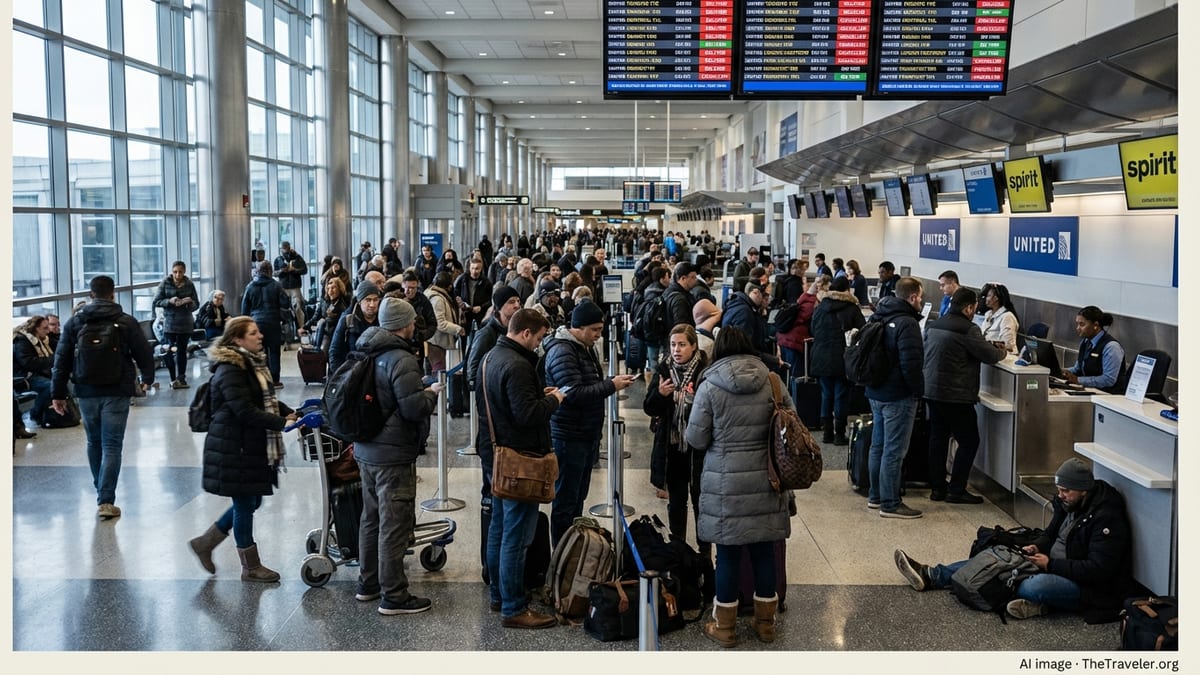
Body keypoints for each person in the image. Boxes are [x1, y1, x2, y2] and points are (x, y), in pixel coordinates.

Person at [895, 457, 1132, 622]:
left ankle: (1039, 602)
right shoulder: (1069, 502)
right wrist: (1036, 546)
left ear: (1083, 490)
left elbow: (1099, 570)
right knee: (998, 555)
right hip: (1051, 564)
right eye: (1059, 490)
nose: (1060, 496)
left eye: (1066, 492)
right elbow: (1050, 534)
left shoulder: (1106, 518)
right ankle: (933, 575)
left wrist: (1050, 565)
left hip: (1085, 586)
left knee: (1033, 585)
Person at [685, 326, 791, 648]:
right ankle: (765, 624)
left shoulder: (710, 386)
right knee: (763, 552)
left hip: (725, 484)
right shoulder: (772, 381)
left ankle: (725, 627)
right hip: (768, 480)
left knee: (728, 555)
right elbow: (790, 423)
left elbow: (696, 439)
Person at [348, 297, 443, 614]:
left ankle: (368, 584)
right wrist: (430, 394)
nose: (416, 324)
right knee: (394, 525)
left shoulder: (366, 348)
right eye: (413, 320)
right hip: (392, 454)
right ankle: (394, 596)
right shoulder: (401, 359)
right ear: (403, 324)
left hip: (366, 449)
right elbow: (413, 408)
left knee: (371, 519)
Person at [187, 316, 296, 582]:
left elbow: (262, 399)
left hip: (245, 443)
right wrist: (282, 422)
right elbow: (244, 410)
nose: (260, 336)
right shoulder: (231, 368)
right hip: (234, 445)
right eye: (253, 333)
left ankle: (205, 543)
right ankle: (250, 566)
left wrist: (290, 412)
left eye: (259, 332)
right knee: (246, 501)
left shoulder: (250, 364)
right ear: (237, 339)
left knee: (251, 499)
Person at [482, 309, 565, 629]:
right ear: (526, 333)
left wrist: (536, 396)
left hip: (499, 454)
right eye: (540, 337)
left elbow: (507, 402)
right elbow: (528, 415)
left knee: (499, 528)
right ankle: (514, 607)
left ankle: (498, 596)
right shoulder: (517, 365)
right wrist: (554, 399)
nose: (540, 344)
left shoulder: (493, 356)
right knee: (516, 536)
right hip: (521, 459)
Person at [49, 275, 156, 519]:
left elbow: (61, 359)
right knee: (112, 444)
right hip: (117, 389)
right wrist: (146, 378)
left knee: (93, 442)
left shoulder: (75, 322)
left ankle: (101, 490)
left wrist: (57, 393)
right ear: (112, 293)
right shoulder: (125, 321)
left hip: (86, 390)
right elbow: (144, 352)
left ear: (91, 294)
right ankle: (105, 499)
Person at [543, 301, 637, 545]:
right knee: (566, 500)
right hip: (569, 434)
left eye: (600, 329)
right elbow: (573, 393)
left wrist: (611, 381)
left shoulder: (583, 347)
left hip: (585, 433)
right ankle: (562, 557)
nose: (599, 335)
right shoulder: (563, 351)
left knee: (577, 497)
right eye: (594, 329)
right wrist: (611, 385)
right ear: (578, 327)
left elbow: (585, 382)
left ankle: (572, 550)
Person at [922, 287, 1007, 503]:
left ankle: (938, 489)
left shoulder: (934, 325)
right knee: (969, 441)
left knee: (937, 439)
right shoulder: (968, 329)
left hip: (931, 390)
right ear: (969, 307)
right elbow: (989, 355)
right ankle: (956, 490)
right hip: (956, 394)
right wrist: (1002, 351)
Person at [644, 324, 710, 555]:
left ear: (694, 346)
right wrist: (661, 395)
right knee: (676, 502)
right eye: (673, 344)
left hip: (699, 448)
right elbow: (649, 407)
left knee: (701, 501)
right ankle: (678, 548)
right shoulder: (664, 370)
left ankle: (704, 551)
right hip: (672, 446)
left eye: (682, 344)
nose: (677, 350)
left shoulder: (705, 372)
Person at [865, 276, 926, 519]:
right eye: (920, 297)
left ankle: (875, 495)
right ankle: (890, 503)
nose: (921, 301)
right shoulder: (907, 323)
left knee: (878, 445)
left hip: (876, 391)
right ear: (912, 297)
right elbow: (911, 364)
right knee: (894, 450)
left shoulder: (879, 314)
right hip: (898, 394)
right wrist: (917, 391)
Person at [467, 286, 524, 504]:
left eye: (518, 301)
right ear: (498, 307)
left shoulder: (516, 332)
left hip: (510, 422)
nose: (516, 306)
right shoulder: (486, 334)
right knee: (492, 490)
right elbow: (472, 373)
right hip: (493, 420)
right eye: (511, 302)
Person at [809, 276, 865, 445]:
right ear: (847, 290)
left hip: (821, 356)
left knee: (826, 394)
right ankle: (839, 435)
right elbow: (862, 331)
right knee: (841, 396)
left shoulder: (820, 307)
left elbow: (812, 329)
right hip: (842, 358)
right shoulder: (852, 308)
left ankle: (826, 433)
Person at [241, 261, 292, 387]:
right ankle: (275, 380)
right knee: (274, 351)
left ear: (258, 271)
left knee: (258, 352)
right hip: (273, 322)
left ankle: (260, 379)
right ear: (269, 271)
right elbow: (285, 303)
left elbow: (245, 308)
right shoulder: (276, 285)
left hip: (256, 323)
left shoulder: (250, 286)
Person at [152, 260, 200, 389]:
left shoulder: (189, 284)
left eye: (180, 272)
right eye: (175, 272)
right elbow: (156, 301)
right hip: (170, 322)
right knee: (168, 350)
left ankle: (181, 378)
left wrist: (189, 302)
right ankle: (173, 378)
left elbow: (196, 304)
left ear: (184, 272)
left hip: (185, 322)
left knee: (182, 352)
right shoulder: (165, 283)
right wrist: (170, 301)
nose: (177, 275)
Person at [1063, 305, 1128, 394]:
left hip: (1108, 395)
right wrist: (1063, 372)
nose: (1077, 328)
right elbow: (1078, 368)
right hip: (1090, 391)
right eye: (1077, 324)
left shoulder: (1111, 347)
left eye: (1082, 324)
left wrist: (1078, 380)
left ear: (1095, 325)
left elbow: (1108, 380)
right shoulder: (1085, 342)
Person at [775, 275, 827, 378]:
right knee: (795, 376)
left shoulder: (804, 298)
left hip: (784, 338)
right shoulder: (812, 303)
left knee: (786, 373)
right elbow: (807, 321)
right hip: (795, 342)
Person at [720, 279, 779, 369]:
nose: (767, 301)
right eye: (764, 296)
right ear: (755, 292)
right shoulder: (744, 312)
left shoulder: (740, 305)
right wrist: (771, 359)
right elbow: (743, 347)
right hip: (743, 365)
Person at [328, 282, 382, 373]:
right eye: (368, 300)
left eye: (375, 300)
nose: (372, 305)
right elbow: (334, 352)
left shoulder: (384, 320)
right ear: (359, 302)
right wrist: (342, 376)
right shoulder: (347, 321)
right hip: (352, 373)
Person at [13, 315, 55, 427]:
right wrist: (52, 359)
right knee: (50, 386)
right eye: (45, 328)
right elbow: (28, 363)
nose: (48, 331)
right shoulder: (23, 342)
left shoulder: (42, 340)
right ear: (37, 328)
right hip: (25, 376)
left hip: (36, 373)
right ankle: (35, 413)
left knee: (60, 381)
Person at [424, 271, 464, 374]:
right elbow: (440, 323)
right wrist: (458, 329)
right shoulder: (437, 299)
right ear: (449, 286)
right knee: (439, 374)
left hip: (434, 342)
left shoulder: (433, 293)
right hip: (437, 343)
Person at [273, 241, 308, 337]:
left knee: (298, 308)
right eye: (283, 249)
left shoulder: (297, 257)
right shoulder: (278, 260)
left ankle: (301, 329)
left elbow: (305, 270)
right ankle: (286, 334)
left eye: (286, 248)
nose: (285, 251)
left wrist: (294, 270)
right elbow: (274, 273)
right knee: (283, 310)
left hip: (295, 287)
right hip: (283, 287)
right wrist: (282, 271)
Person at [453, 257, 492, 341]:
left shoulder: (486, 282)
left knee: (476, 339)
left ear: (481, 269)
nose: (474, 271)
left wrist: (481, 307)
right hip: (464, 314)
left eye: (477, 268)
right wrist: (460, 303)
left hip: (479, 315)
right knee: (463, 338)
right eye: (472, 268)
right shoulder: (462, 279)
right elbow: (455, 293)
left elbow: (490, 300)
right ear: (469, 268)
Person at [307, 277, 351, 352]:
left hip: (336, 333)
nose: (330, 291)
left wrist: (327, 319)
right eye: (328, 288)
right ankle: (316, 347)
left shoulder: (343, 303)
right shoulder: (324, 301)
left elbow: (343, 321)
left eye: (333, 288)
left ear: (339, 289)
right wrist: (305, 326)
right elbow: (316, 316)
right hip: (326, 332)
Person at [661, 262, 699, 346]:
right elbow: (681, 326)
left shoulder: (668, 291)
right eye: (693, 277)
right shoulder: (680, 300)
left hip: (669, 341)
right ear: (683, 278)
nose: (696, 280)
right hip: (676, 343)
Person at [980, 282, 1020, 354]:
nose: (986, 298)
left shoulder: (1007, 317)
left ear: (996, 298)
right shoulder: (988, 314)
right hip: (990, 354)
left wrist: (992, 343)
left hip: (1005, 357)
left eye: (989, 296)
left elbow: (1008, 345)